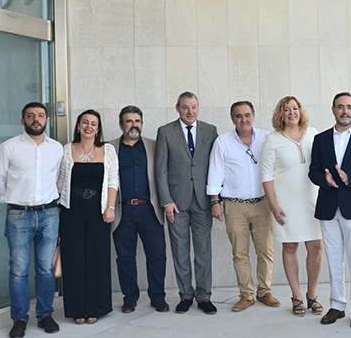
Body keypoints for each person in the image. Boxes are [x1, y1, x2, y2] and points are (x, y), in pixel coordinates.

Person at [0, 102, 63, 338]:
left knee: (44, 268)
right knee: (19, 270)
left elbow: (61, 178)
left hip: (49, 215)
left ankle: (45, 315)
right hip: (18, 215)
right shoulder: (8, 147)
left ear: (47, 121)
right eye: (30, 116)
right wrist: (11, 201)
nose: (36, 119)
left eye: (40, 115)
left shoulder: (57, 148)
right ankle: (19, 318)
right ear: (23, 121)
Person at [308, 92, 351, 329]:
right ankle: (337, 305)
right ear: (333, 110)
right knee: (334, 259)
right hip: (328, 207)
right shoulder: (320, 139)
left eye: (349, 107)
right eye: (340, 107)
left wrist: (350, 178)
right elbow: (313, 171)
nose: (345, 111)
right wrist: (324, 180)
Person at [207, 101, 280, 312]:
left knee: (265, 250)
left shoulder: (267, 138)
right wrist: (215, 202)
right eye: (239, 116)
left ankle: (264, 291)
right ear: (233, 120)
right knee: (240, 253)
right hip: (234, 205)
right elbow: (215, 172)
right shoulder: (223, 142)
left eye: (247, 115)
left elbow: (277, 168)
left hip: (262, 203)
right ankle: (246, 294)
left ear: (253, 117)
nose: (243, 119)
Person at [156, 92, 219, 314]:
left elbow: (216, 166)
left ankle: (204, 296)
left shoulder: (210, 130)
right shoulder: (165, 132)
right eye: (185, 107)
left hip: (203, 202)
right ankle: (185, 295)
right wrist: (166, 201)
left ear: (198, 107)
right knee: (180, 251)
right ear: (177, 108)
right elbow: (160, 169)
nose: (190, 111)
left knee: (203, 252)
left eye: (193, 107)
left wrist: (215, 200)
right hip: (177, 203)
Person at [261, 96, 323, 317]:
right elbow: (266, 176)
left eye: (295, 108)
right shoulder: (272, 140)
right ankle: (296, 296)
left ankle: (312, 295)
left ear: (300, 111)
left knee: (316, 248)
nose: (291, 113)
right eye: (286, 109)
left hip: (312, 201)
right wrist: (274, 205)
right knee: (290, 248)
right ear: (280, 114)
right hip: (285, 204)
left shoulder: (313, 134)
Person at [57, 109, 119, 324]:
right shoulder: (67, 150)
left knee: (97, 259)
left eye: (94, 123)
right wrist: (58, 209)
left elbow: (113, 181)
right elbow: (60, 182)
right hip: (71, 211)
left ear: (98, 128)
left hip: (98, 212)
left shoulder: (107, 150)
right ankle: (76, 310)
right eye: (85, 122)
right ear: (78, 126)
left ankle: (95, 307)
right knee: (73, 259)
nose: (89, 126)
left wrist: (110, 207)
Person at [108, 106, 168, 314]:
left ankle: (158, 297)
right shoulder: (110, 148)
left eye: (137, 121)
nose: (134, 125)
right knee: (124, 257)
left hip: (149, 209)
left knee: (157, 255)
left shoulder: (154, 145)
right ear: (121, 124)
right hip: (121, 211)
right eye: (129, 121)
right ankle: (130, 298)